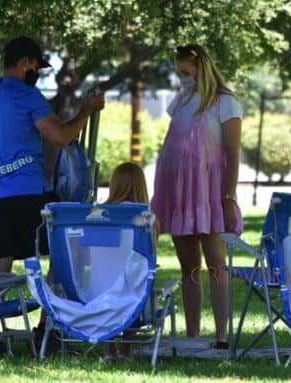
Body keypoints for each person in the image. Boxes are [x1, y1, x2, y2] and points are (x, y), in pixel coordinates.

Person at [0, 36, 105, 338]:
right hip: (30, 192)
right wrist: (86, 110)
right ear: (25, 62)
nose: (38, 73)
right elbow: (62, 136)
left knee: (1, 262)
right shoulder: (28, 95)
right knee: (65, 251)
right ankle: (47, 326)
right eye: (37, 66)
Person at [150, 44, 243, 349]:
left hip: (209, 192)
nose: (183, 79)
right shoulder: (180, 102)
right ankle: (192, 336)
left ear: (201, 67)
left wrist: (228, 197)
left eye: (186, 73)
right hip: (179, 192)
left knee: (216, 263)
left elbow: (232, 151)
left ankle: (220, 335)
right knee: (188, 266)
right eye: (179, 74)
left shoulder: (225, 103)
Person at [103, 162, 156, 362]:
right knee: (136, 286)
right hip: (134, 287)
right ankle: (126, 350)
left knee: (109, 291)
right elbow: (151, 253)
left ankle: (108, 349)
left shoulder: (99, 215)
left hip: (100, 286)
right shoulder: (147, 218)